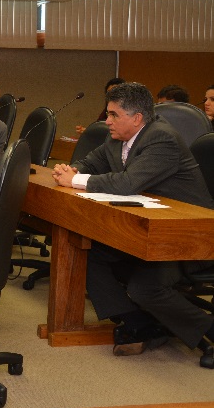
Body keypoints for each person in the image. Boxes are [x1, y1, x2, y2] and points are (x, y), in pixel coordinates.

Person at [52, 82, 214, 360]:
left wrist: (76, 181)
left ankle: (208, 330)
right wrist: (72, 170)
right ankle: (141, 323)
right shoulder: (118, 137)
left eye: (114, 114)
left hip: (188, 236)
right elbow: (92, 162)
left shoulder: (162, 138)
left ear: (137, 118)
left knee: (144, 288)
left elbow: (128, 183)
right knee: (86, 252)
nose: (107, 120)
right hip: (148, 229)